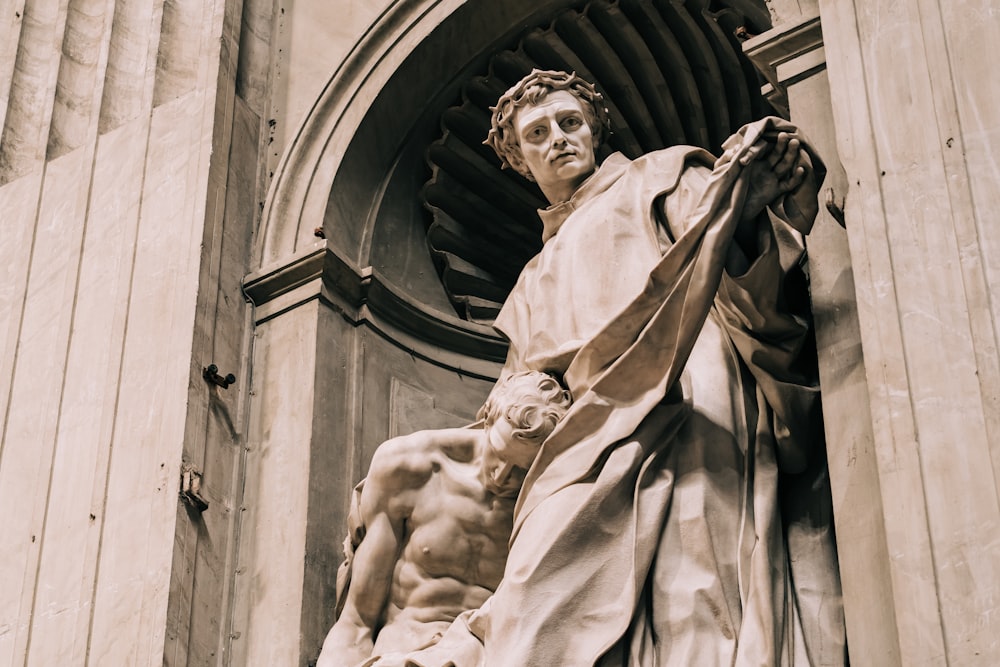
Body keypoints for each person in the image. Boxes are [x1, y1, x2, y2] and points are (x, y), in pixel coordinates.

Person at [406, 70, 845, 666]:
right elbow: (512, 394)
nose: (558, 138)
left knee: (693, 578)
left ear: (593, 129)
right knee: (539, 590)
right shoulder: (530, 278)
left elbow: (733, 250)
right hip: (579, 428)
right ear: (520, 160)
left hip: (686, 379)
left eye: (569, 122)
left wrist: (748, 200)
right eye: (537, 133)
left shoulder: (662, 174)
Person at [316, 371, 571, 667]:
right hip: (404, 653)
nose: (502, 475)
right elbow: (356, 622)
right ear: (487, 417)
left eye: (521, 469)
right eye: (499, 453)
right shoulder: (409, 465)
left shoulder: (547, 508)